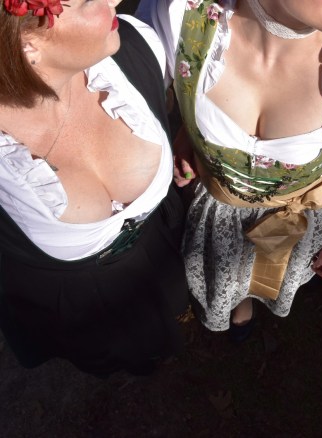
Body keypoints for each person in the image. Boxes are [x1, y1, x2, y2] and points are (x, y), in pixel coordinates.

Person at [136, 0, 322, 340]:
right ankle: (239, 305)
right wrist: (188, 133)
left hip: (293, 220)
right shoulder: (183, 20)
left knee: (269, 277)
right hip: (217, 213)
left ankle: (252, 300)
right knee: (226, 276)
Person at [0, 0, 189, 375]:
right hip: (80, 309)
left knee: (173, 308)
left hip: (162, 248)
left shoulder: (135, 47)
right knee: (115, 356)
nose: (115, 0)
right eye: (89, 0)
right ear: (27, 43)